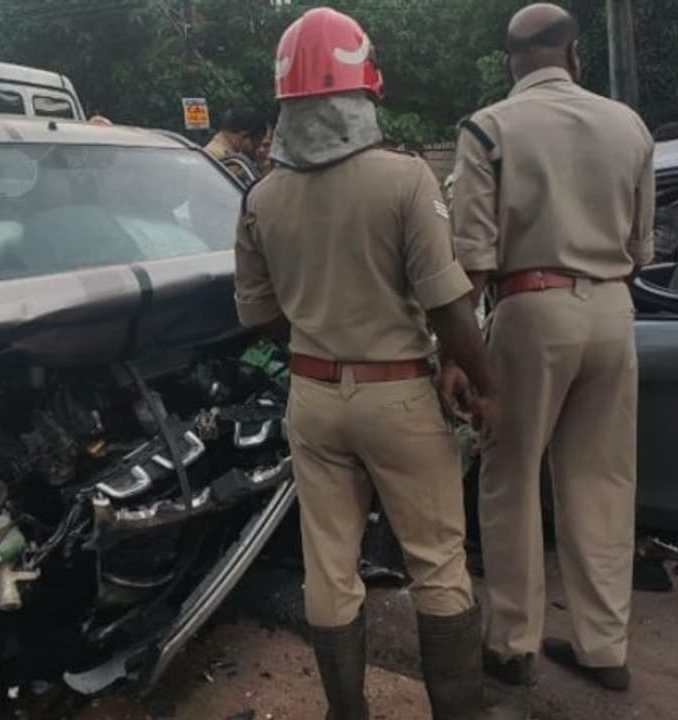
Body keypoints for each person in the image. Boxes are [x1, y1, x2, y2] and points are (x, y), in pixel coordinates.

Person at [234, 8, 513, 718]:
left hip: (313, 398)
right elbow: (451, 310)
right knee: (437, 561)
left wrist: (318, 323)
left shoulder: (259, 197)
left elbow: (259, 316)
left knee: (330, 566)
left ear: (285, 102)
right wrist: (484, 387)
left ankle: (346, 712)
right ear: (365, 91)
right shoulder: (405, 180)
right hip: (398, 398)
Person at [442, 3, 654, 693]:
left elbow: (471, 261)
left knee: (509, 477)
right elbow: (641, 249)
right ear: (575, 56)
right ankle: (604, 648)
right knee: (602, 480)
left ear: (511, 61)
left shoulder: (489, 127)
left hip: (530, 309)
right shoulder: (629, 126)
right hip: (615, 308)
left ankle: (511, 645)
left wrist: (455, 357)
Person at [205, 106, 267, 186]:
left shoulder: (211, 152)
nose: (258, 150)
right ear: (244, 137)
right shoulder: (228, 161)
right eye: (256, 145)